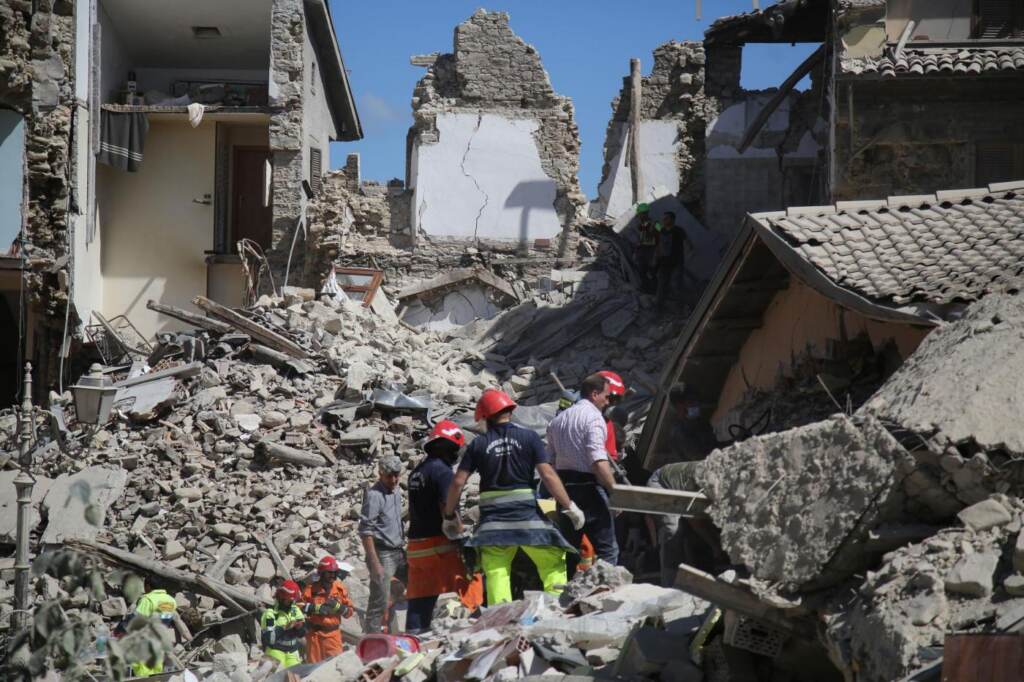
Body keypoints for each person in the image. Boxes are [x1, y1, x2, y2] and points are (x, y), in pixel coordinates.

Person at [442, 389, 584, 605]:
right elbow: (547, 475)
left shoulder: (478, 444)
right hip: (529, 521)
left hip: (493, 527)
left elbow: (458, 482)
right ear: (510, 410)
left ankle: (501, 620)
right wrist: (569, 506)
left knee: (497, 572)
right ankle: (556, 610)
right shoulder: (529, 438)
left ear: (485, 416)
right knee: (552, 562)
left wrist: (450, 515)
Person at [406, 420, 483, 633]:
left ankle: (413, 639)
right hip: (438, 547)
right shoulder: (442, 472)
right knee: (467, 586)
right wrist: (460, 537)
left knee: (419, 599)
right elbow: (447, 510)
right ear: (451, 447)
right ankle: (474, 629)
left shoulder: (418, 472)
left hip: (416, 548)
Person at [547, 373, 619, 575]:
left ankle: (565, 597)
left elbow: (549, 462)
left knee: (570, 549)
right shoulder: (595, 418)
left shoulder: (558, 421)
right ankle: (608, 592)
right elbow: (598, 461)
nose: (608, 400)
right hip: (589, 489)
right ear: (595, 394)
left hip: (566, 492)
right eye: (606, 395)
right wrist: (614, 490)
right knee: (608, 550)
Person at [358, 455, 407, 633]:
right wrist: (375, 563)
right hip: (383, 553)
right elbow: (366, 531)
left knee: (414, 584)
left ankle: (400, 627)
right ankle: (372, 638)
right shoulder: (374, 496)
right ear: (380, 474)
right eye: (389, 476)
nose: (394, 480)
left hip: (399, 550)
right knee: (379, 600)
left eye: (396, 475)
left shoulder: (396, 491)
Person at [302, 556, 355, 663]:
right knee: (313, 669)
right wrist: (316, 608)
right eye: (329, 572)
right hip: (314, 636)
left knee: (335, 667)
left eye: (335, 572)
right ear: (321, 573)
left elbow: (349, 613)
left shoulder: (340, 589)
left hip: (333, 635)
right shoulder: (311, 589)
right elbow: (298, 607)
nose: (333, 575)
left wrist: (338, 607)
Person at [127, 587, 178, 677]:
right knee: (156, 669)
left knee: (142, 671)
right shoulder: (171, 600)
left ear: (148, 586)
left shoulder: (148, 599)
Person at [260, 580, 306, 669]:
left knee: (295, 677)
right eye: (289, 601)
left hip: (292, 651)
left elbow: (302, 633)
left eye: (293, 601)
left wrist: (299, 627)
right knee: (275, 678)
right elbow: (270, 639)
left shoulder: (294, 610)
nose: (292, 603)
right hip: (274, 651)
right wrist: (285, 627)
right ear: (281, 598)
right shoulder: (270, 613)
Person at [653, 211, 691, 312]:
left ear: (672, 220)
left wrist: (689, 252)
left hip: (677, 263)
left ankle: (680, 308)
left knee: (676, 285)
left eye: (666, 218)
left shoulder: (678, 230)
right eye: (663, 219)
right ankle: (658, 309)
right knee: (661, 286)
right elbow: (658, 241)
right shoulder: (662, 231)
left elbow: (688, 243)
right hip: (664, 263)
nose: (664, 220)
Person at [634, 203, 658, 293]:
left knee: (651, 271)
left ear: (645, 214)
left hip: (650, 251)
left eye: (640, 214)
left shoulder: (654, 223)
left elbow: (661, 231)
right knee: (642, 271)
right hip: (642, 250)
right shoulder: (642, 225)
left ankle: (654, 290)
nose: (639, 216)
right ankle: (645, 288)